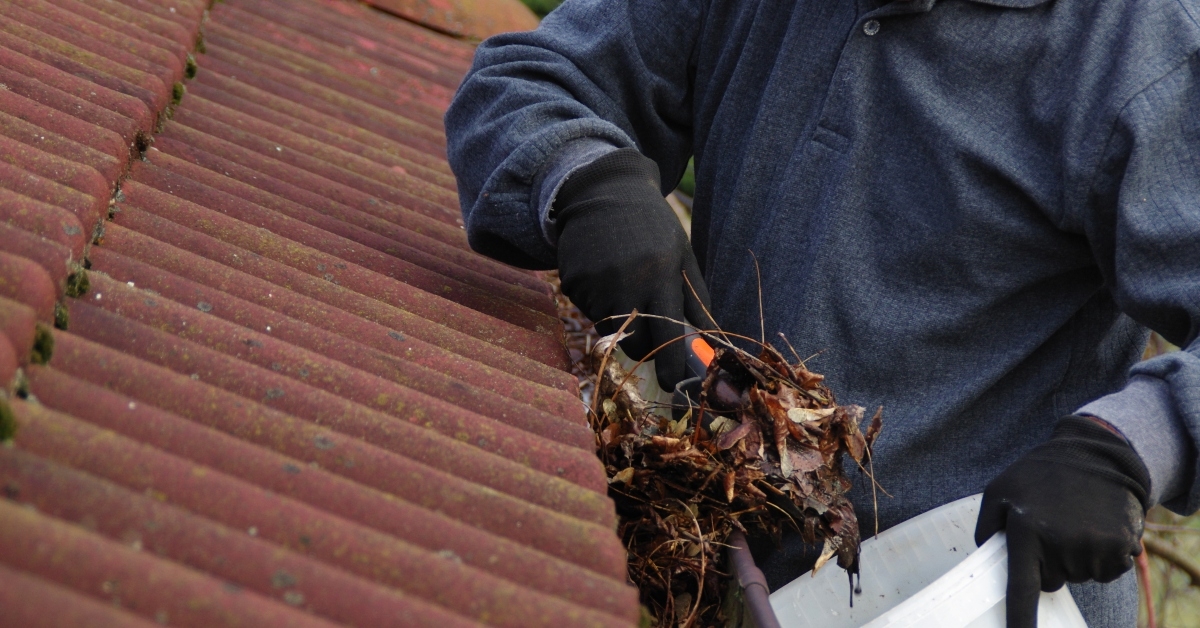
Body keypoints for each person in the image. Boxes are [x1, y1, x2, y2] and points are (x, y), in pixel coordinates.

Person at [444, 0, 1200, 625]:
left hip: (973, 595)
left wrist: (1130, 447)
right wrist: (585, 177)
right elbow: (523, 81)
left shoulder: (1147, 48)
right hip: (718, 578)